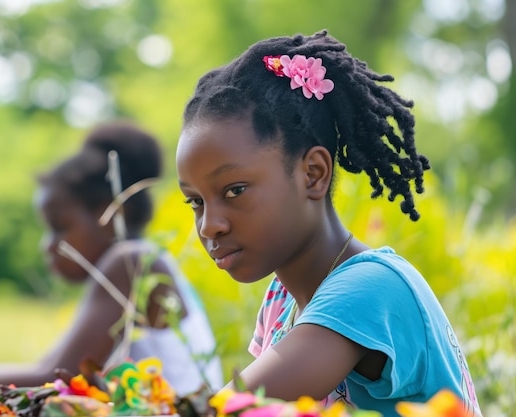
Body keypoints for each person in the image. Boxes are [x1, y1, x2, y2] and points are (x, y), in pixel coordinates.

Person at [175, 30, 482, 417]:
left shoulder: (371, 288)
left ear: (313, 174)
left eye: (235, 190)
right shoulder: (281, 298)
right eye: (196, 202)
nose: (209, 226)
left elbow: (225, 412)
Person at [0, 120, 223, 396]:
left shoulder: (130, 263)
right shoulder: (144, 261)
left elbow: (55, 377)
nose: (47, 245)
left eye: (59, 227)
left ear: (112, 212)